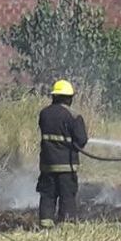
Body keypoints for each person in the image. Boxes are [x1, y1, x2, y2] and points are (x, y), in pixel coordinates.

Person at [37, 79, 88, 228]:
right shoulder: (73, 116)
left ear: (54, 96)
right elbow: (81, 140)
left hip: (47, 165)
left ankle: (45, 224)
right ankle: (66, 225)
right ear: (69, 98)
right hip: (67, 166)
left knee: (47, 195)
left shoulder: (44, 114)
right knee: (67, 196)